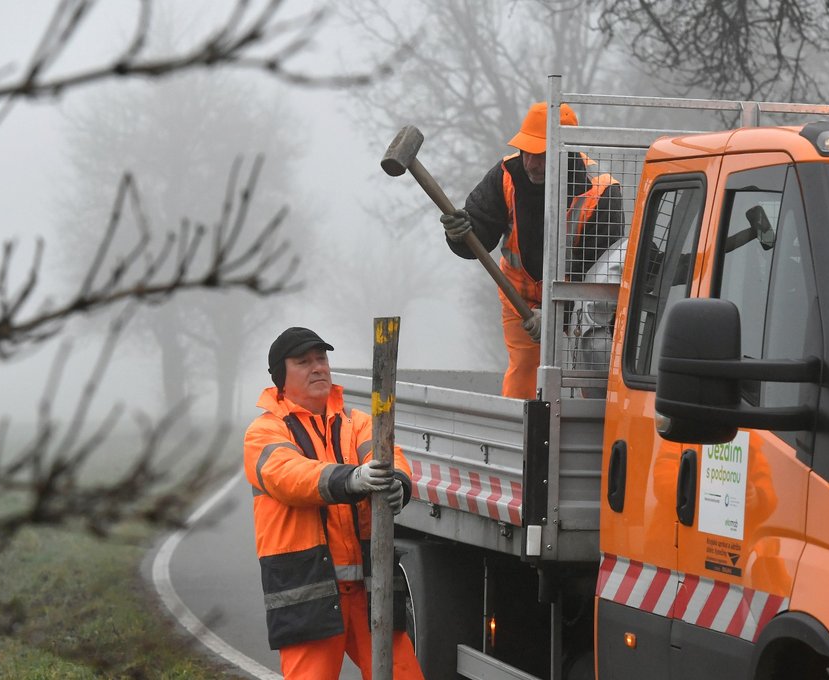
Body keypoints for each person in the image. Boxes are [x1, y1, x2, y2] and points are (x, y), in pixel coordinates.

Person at [243, 326, 424, 680]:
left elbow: (389, 456)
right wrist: (351, 479)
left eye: (322, 359)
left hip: (370, 588)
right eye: (304, 362)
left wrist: (399, 484)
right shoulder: (264, 432)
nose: (318, 368)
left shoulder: (356, 423)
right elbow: (289, 475)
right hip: (309, 593)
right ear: (281, 377)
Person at [441, 101, 624, 399]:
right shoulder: (505, 175)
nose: (531, 163)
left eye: (542, 155)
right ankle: (518, 441)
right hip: (519, 297)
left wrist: (554, 314)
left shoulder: (601, 192)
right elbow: (478, 239)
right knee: (524, 376)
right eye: (528, 151)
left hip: (581, 302)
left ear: (568, 152)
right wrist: (459, 234)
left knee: (596, 373)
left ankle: (599, 438)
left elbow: (598, 274)